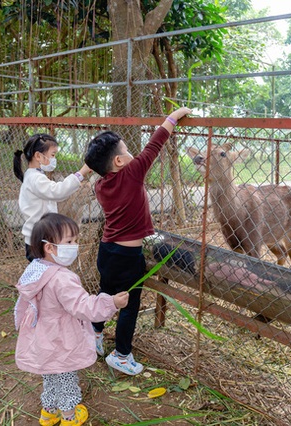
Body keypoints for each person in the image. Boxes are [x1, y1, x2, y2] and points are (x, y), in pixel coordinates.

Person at [84, 106, 191, 375]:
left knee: (105, 295)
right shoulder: (132, 174)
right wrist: (173, 117)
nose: (134, 154)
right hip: (128, 257)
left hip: (107, 252)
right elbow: (155, 144)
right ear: (120, 161)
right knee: (128, 305)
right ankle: (121, 355)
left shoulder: (100, 185)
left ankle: (94, 335)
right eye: (127, 150)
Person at [14, 212, 129, 426]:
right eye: (69, 241)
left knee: (49, 376)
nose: (75, 245)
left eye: (76, 240)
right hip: (60, 340)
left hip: (42, 338)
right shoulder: (62, 279)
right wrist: (111, 303)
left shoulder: (36, 269)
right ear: (49, 247)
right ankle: (69, 418)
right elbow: (83, 307)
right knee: (66, 379)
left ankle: (48, 414)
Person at [13, 133, 91, 261]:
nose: (54, 159)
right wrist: (81, 173)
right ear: (38, 156)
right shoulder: (35, 178)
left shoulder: (33, 175)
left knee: (42, 272)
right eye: (53, 155)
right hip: (39, 239)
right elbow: (57, 192)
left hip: (38, 236)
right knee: (43, 273)